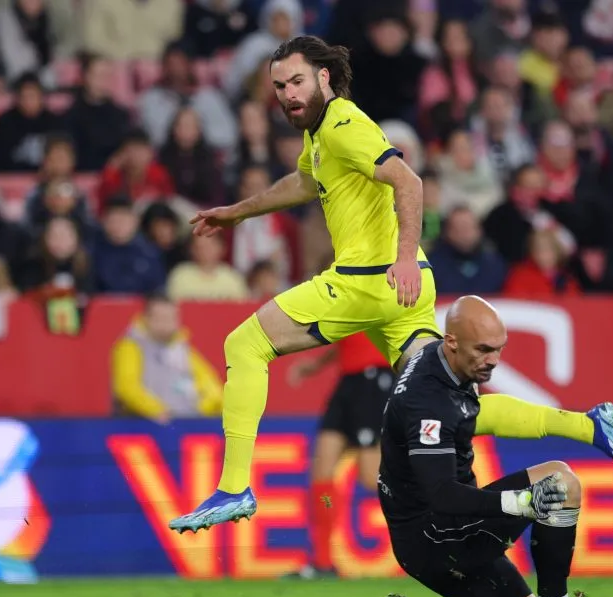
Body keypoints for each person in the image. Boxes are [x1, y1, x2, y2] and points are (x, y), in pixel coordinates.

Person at [168, 36, 438, 533]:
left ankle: (234, 486)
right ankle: (577, 428)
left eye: (296, 81)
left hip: (369, 280)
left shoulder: (342, 126)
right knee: (444, 398)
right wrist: (237, 213)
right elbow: (301, 184)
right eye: (279, 87)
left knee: (245, 344)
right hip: (406, 287)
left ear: (323, 77)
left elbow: (409, 181)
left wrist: (401, 258)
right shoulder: (320, 134)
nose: (288, 94)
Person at [340, 296, 613, 597]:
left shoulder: (441, 361)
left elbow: (488, 413)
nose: (494, 360)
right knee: (561, 483)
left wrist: (581, 427)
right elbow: (442, 494)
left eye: (499, 348)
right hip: (438, 535)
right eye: (484, 349)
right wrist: (521, 502)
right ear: (452, 342)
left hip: (428, 537)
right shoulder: (428, 403)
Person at [285, 332, 393, 579]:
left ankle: (432, 523)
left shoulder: (386, 307)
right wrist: (316, 365)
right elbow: (346, 335)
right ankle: (323, 562)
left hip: (373, 382)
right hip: (347, 384)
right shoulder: (348, 310)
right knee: (322, 473)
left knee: (370, 478)